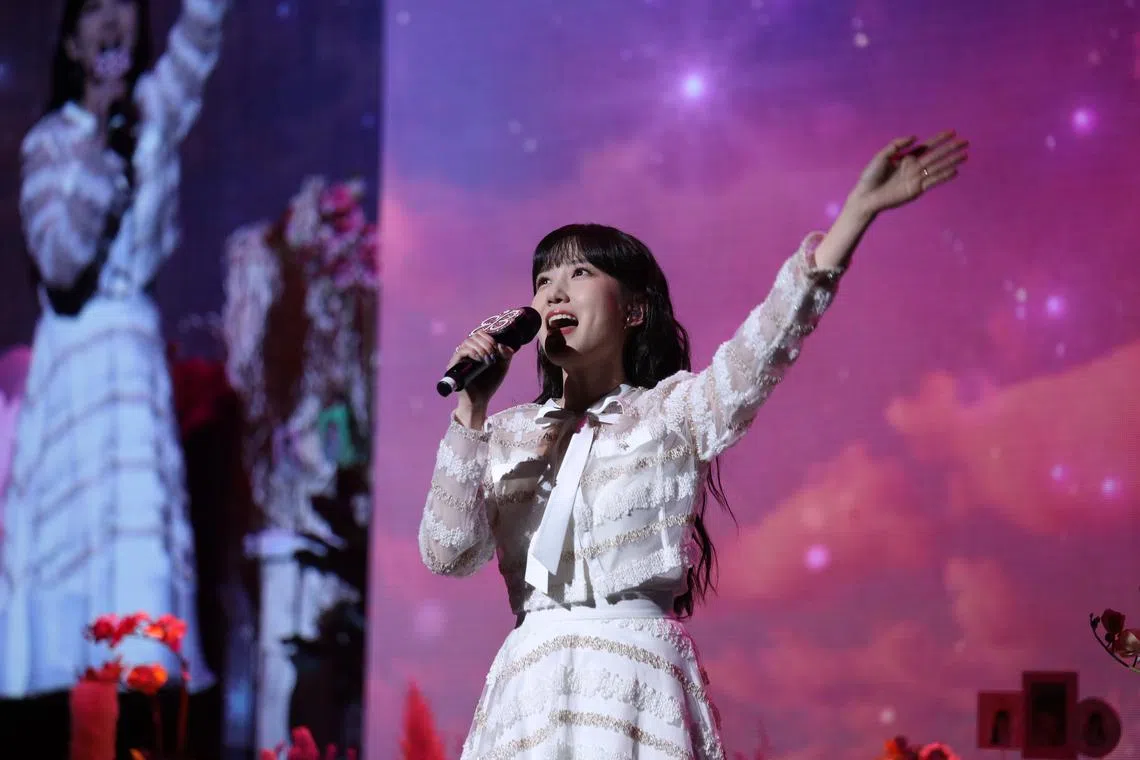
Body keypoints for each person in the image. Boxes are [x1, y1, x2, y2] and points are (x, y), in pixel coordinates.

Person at [419, 131, 969, 758]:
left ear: (633, 311)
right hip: (530, 685)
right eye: (543, 279)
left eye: (580, 272)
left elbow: (765, 345)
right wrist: (472, 408)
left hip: (635, 677)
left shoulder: (674, 412)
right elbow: (448, 552)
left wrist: (852, 220)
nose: (554, 292)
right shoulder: (510, 433)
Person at [0, 0, 229, 697]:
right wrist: (100, 137)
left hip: (130, 353)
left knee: (133, 558)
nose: (112, 22)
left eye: (123, 8)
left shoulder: (154, 112)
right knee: (73, 552)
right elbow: (63, 260)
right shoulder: (51, 141)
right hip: (76, 356)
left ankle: (137, 700)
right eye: (95, 10)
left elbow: (199, 33)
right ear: (71, 40)